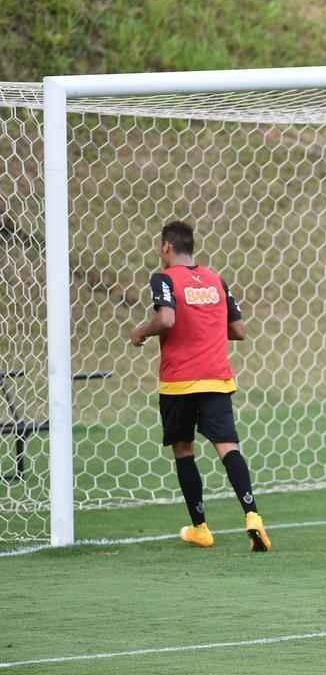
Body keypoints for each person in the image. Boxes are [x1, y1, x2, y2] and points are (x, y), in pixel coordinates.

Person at [128, 220, 271, 551]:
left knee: (183, 449)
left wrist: (141, 332)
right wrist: (206, 330)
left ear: (166, 247)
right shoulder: (215, 280)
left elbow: (166, 318)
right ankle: (252, 516)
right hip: (216, 377)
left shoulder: (164, 278)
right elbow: (239, 330)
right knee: (228, 447)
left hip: (179, 381)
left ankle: (201, 528)